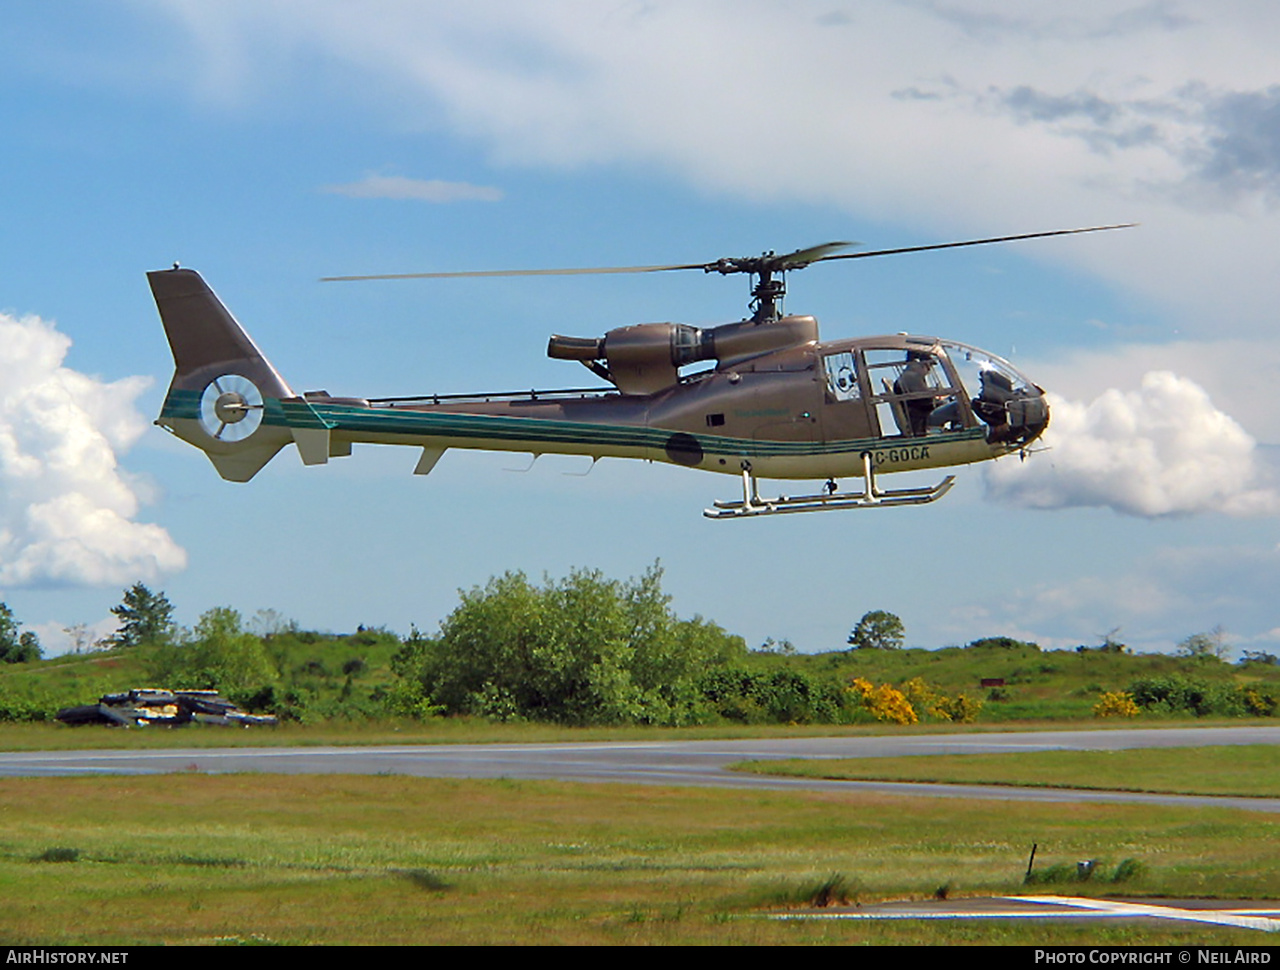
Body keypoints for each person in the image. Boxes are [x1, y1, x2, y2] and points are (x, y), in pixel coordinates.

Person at [893, 351, 936, 436]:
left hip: (919, 416)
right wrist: (938, 398)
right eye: (928, 365)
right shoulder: (912, 377)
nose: (929, 370)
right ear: (919, 363)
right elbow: (927, 402)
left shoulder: (909, 376)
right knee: (955, 406)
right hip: (921, 419)